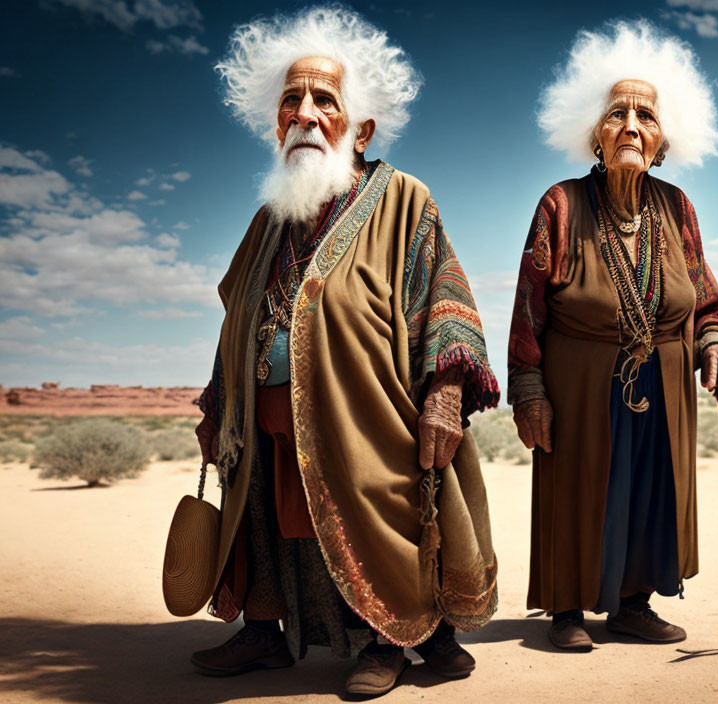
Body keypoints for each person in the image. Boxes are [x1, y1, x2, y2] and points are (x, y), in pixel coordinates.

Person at [190, 7, 499, 696]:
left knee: (383, 523)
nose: (303, 113)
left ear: (360, 128)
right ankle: (266, 635)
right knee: (267, 528)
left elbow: (445, 301)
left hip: (369, 420)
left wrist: (445, 395)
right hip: (266, 425)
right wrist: (218, 406)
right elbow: (236, 317)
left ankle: (388, 639)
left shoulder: (403, 200)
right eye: (290, 102)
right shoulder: (268, 219)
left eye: (323, 100)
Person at [508, 21, 718, 652]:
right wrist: (528, 385)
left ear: (664, 139)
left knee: (648, 486)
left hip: (662, 378)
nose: (632, 126)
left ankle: (633, 605)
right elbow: (530, 305)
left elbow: (702, 296)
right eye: (618, 113)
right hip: (579, 377)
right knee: (578, 484)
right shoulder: (560, 204)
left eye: (646, 115)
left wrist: (714, 345)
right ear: (594, 133)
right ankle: (565, 609)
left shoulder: (678, 207)